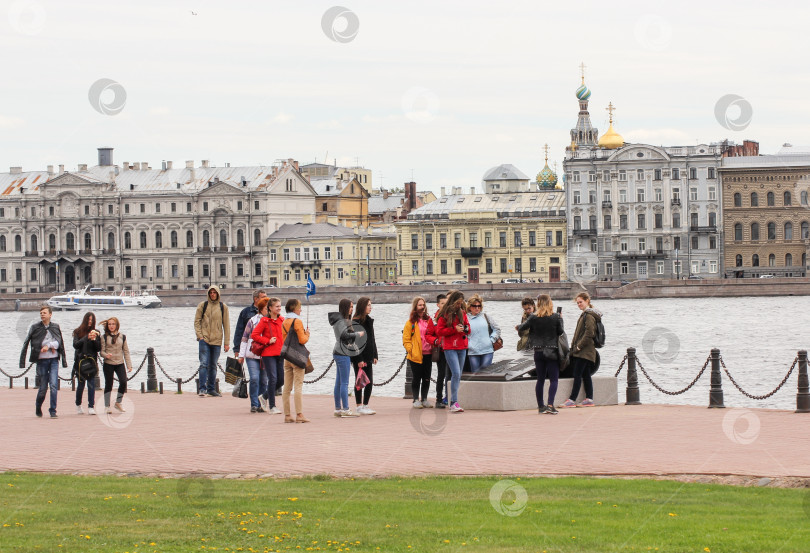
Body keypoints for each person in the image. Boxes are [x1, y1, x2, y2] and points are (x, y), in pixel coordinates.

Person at [517, 294, 564, 414]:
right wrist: (561, 318)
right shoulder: (556, 317)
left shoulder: (533, 317)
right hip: (551, 351)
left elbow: (522, 328)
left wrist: (519, 326)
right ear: (550, 303)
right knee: (554, 380)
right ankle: (550, 405)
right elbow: (560, 332)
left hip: (538, 351)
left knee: (540, 379)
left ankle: (541, 406)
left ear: (538, 304)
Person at [20, 305, 68, 418]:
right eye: (41, 312)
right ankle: (38, 406)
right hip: (41, 361)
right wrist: (23, 361)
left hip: (53, 360)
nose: (42, 314)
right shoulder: (35, 327)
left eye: (44, 312)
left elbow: (59, 343)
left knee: (54, 385)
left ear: (50, 314)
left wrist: (49, 345)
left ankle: (53, 410)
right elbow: (31, 343)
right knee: (42, 388)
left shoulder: (55, 327)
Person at [560, 291, 602, 408]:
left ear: (587, 301)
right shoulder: (587, 314)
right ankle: (589, 399)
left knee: (577, 374)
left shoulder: (588, 315)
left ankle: (572, 400)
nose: (579, 304)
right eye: (577, 303)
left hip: (584, 351)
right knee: (586, 375)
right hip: (587, 351)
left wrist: (578, 346)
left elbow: (589, 333)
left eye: (581, 302)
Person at [328, 298, 364, 417]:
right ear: (344, 308)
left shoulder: (340, 320)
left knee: (339, 382)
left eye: (353, 307)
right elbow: (344, 335)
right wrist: (357, 334)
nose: (352, 309)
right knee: (344, 382)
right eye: (350, 307)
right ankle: (346, 409)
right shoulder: (342, 321)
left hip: (339, 352)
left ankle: (338, 408)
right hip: (343, 353)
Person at [436, 290, 470, 413]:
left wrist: (464, 329)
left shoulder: (462, 312)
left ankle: (454, 401)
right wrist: (454, 329)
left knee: (458, 374)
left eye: (461, 303)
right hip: (450, 347)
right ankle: (453, 402)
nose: (459, 305)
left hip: (462, 346)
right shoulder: (444, 314)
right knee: (455, 373)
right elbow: (439, 331)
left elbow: (468, 327)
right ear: (453, 301)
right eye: (458, 302)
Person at [193, 286, 231, 397]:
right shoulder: (202, 306)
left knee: (213, 365)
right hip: (204, 339)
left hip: (217, 340)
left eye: (215, 292)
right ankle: (202, 389)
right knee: (204, 364)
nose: (213, 294)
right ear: (208, 294)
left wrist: (227, 342)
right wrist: (200, 336)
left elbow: (226, 325)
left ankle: (211, 389)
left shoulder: (223, 307)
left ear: (218, 294)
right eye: (211, 292)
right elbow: (197, 322)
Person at [250, 297, 284, 414]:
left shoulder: (282, 320)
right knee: (273, 378)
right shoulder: (264, 321)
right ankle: (272, 406)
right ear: (270, 308)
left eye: (280, 306)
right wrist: (267, 340)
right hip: (268, 354)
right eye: (277, 306)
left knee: (281, 380)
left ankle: (264, 396)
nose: (279, 308)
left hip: (280, 353)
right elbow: (254, 335)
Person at [402, 296, 437, 409]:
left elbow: (433, 333)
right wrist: (410, 350)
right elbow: (406, 339)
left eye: (423, 305)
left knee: (426, 377)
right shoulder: (411, 322)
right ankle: (416, 399)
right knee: (417, 377)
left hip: (428, 353)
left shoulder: (429, 320)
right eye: (420, 305)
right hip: (416, 354)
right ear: (416, 307)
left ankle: (425, 398)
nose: (422, 307)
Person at [281, 298, 311, 423]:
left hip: (287, 357)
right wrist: (307, 334)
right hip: (297, 357)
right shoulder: (297, 321)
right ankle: (299, 414)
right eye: (299, 307)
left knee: (287, 387)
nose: (301, 309)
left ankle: (287, 415)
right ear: (294, 308)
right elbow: (302, 340)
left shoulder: (284, 321)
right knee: (298, 386)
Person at [238, 297, 269, 413]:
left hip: (266, 355)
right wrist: (241, 355)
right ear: (261, 309)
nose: (268, 311)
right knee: (255, 378)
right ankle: (254, 404)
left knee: (264, 380)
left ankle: (262, 403)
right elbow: (244, 338)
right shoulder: (252, 321)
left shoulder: (272, 322)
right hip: (252, 354)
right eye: (266, 308)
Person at [99, 317, 134, 414]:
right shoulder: (104, 337)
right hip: (108, 363)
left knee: (123, 381)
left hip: (119, 363)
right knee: (109, 385)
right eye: (109, 324)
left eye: (113, 324)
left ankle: (118, 402)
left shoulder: (122, 337)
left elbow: (126, 351)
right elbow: (101, 351)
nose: (111, 326)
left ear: (117, 325)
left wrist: (129, 365)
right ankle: (107, 406)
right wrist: (106, 355)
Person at [350, 297, 378, 415]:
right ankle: (358, 405)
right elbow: (354, 342)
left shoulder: (369, 320)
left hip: (369, 355)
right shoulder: (355, 322)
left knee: (369, 381)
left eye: (371, 305)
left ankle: (366, 405)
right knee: (359, 381)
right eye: (368, 305)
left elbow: (372, 339)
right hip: (359, 356)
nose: (370, 307)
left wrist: (375, 354)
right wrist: (359, 359)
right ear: (362, 306)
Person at [73, 312, 101, 415]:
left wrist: (94, 339)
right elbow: (76, 345)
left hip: (92, 362)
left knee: (91, 385)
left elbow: (98, 348)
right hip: (80, 362)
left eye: (92, 320)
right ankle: (78, 404)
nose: (90, 322)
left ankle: (91, 406)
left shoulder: (96, 332)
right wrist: (86, 338)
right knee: (80, 385)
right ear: (85, 320)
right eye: (88, 320)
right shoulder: (78, 332)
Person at [465, 294, 500, 373]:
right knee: (475, 373)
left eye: (479, 306)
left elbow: (497, 329)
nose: (477, 308)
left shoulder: (486, 316)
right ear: (470, 307)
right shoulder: (465, 318)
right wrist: (468, 344)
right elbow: (463, 334)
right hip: (472, 351)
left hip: (487, 350)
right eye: (474, 306)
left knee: (485, 372)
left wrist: (491, 340)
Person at [433, 294, 448, 408]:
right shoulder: (435, 318)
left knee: (452, 374)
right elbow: (429, 334)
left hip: (451, 349)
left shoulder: (451, 316)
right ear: (438, 305)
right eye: (442, 303)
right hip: (441, 350)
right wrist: (436, 341)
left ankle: (449, 397)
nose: (445, 305)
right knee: (441, 374)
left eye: (446, 303)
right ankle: (438, 399)